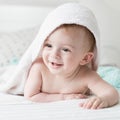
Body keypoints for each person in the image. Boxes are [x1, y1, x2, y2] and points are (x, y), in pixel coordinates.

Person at [24, 3, 119, 109]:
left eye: (65, 49)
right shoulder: (39, 68)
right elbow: (31, 96)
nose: (54, 54)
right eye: (49, 45)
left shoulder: (86, 76)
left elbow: (112, 93)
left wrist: (104, 99)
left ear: (85, 58)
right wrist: (63, 97)